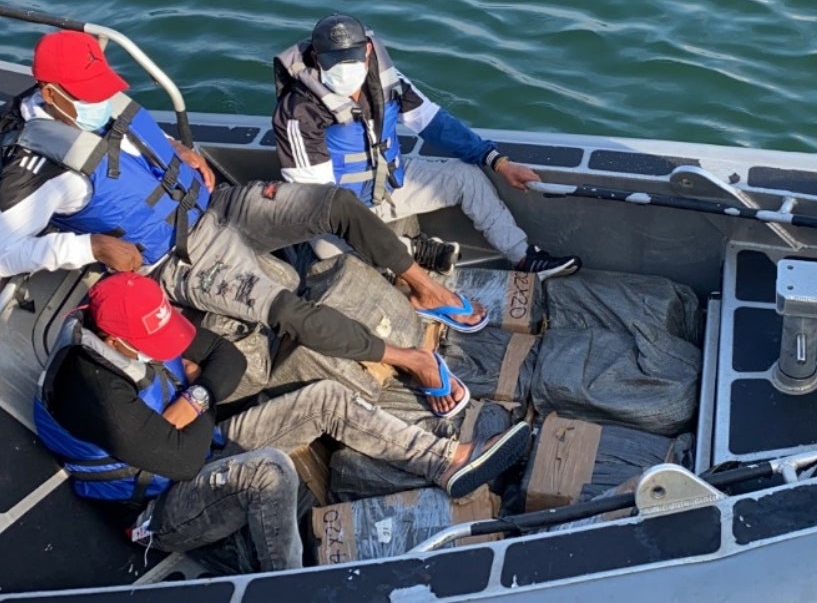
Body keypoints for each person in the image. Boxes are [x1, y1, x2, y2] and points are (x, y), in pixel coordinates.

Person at [0, 29, 489, 415]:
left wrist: (179, 148)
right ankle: (413, 359)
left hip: (217, 204)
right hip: (179, 258)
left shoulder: (95, 105)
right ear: (51, 94)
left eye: (103, 88)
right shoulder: (36, 170)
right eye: (89, 94)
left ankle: (427, 289)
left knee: (335, 204)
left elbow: (131, 141)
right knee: (290, 310)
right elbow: (4, 253)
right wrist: (89, 248)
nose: (101, 100)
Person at [34, 272, 531, 574]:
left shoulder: (134, 325)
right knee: (268, 472)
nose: (169, 348)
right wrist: (199, 392)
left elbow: (225, 357)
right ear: (114, 343)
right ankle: (288, 585)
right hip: (158, 507)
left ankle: (445, 461)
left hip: (200, 442)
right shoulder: (91, 392)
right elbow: (182, 462)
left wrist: (195, 399)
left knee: (326, 397)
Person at [272, 14, 582, 282]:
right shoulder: (298, 112)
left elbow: (433, 122)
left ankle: (524, 258)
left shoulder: (386, 79)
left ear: (367, 51)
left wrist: (499, 162)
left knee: (465, 176)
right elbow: (321, 203)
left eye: (351, 59)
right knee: (328, 249)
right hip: (340, 211)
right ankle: (415, 251)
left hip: (390, 187)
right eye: (332, 61)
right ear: (315, 58)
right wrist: (376, 237)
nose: (343, 68)